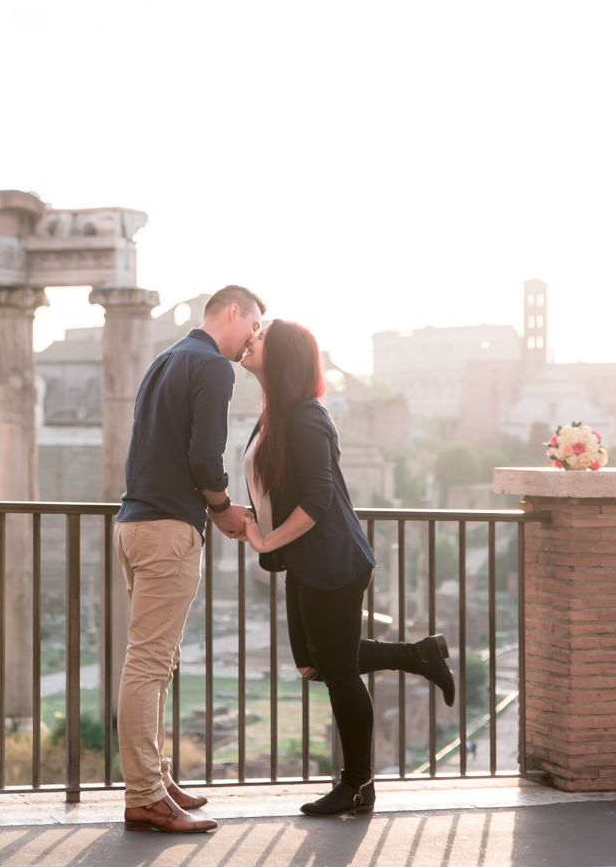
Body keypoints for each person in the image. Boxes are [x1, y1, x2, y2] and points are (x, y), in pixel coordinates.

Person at [234, 319, 456, 817]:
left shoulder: (308, 418)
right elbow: (276, 491)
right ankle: (419, 655)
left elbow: (316, 500)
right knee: (314, 662)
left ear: (285, 355)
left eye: (263, 334)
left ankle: (357, 785)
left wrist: (266, 537)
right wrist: (249, 521)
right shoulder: (273, 416)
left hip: (333, 561)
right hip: (306, 559)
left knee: (337, 672)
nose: (252, 338)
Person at [114, 285, 265, 834]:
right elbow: (204, 458)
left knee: (158, 663)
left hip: (134, 524)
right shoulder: (213, 367)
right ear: (233, 312)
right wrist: (224, 510)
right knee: (149, 664)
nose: (253, 341)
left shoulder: (165, 359)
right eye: (253, 327)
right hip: (169, 529)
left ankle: (156, 781)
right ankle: (145, 797)